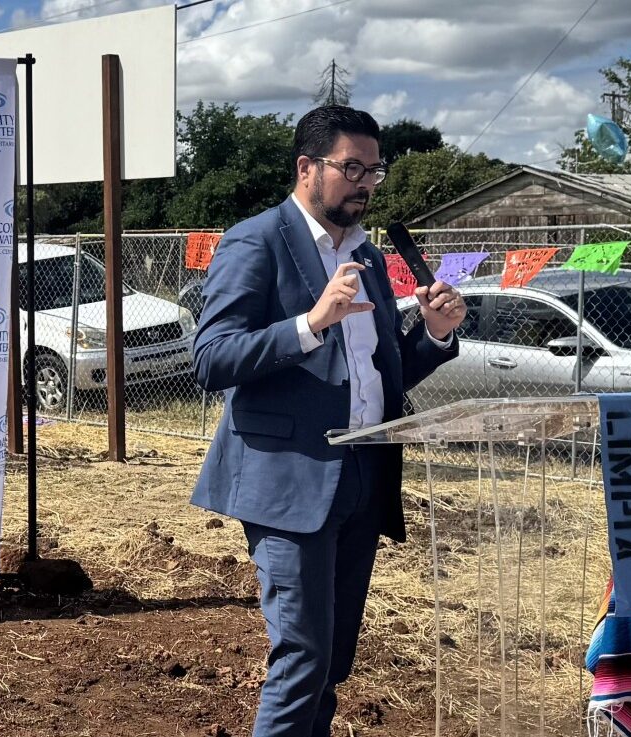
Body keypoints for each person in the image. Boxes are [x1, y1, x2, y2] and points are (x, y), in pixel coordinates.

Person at [190, 105, 464, 737]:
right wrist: (310, 323)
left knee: (333, 658)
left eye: (375, 170)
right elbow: (211, 358)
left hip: (363, 479)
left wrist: (434, 335)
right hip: (289, 483)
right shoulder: (257, 240)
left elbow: (375, 373)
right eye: (351, 168)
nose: (365, 183)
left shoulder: (366, 257)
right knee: (302, 660)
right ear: (307, 167)